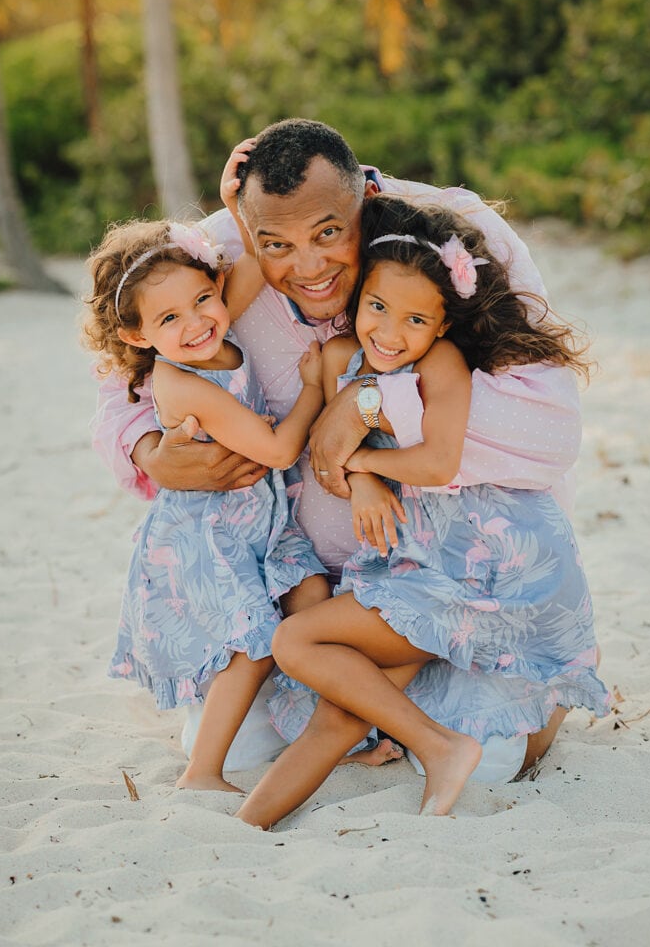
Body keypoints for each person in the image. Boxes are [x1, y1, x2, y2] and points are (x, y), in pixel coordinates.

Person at [90, 119, 584, 774]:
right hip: (304, 593)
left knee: (491, 763)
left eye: (329, 233)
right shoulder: (210, 256)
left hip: (447, 585)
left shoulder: (451, 236)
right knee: (230, 755)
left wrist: (371, 399)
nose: (309, 266)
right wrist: (147, 450)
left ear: (367, 207)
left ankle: (534, 695)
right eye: (276, 244)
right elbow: (117, 381)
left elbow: (550, 428)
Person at [234, 194, 610, 827]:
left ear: (441, 326)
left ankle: (446, 745)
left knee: (297, 639)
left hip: (470, 568)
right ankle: (245, 830)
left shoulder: (442, 362)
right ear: (358, 299)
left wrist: (367, 467)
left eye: (414, 320)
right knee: (339, 713)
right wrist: (359, 483)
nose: (389, 332)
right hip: (412, 561)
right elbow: (330, 458)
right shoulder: (337, 361)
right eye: (377, 308)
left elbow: (437, 464)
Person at [83, 217, 331, 791]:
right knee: (255, 644)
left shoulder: (215, 330)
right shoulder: (181, 382)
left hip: (260, 524)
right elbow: (276, 448)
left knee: (313, 603)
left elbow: (256, 262)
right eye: (169, 318)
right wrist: (316, 388)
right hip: (208, 533)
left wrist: (234, 206)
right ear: (139, 337)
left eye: (202, 300)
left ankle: (330, 734)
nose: (195, 323)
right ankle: (202, 772)